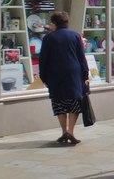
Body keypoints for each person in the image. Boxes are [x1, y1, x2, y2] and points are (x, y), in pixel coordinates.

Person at [38, 11, 89, 145]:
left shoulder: (48, 38)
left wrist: (43, 76)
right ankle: (71, 131)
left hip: (55, 73)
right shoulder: (75, 36)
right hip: (74, 73)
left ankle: (63, 131)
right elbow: (81, 57)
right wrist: (85, 74)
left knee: (59, 102)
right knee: (74, 102)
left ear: (54, 23)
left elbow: (43, 59)